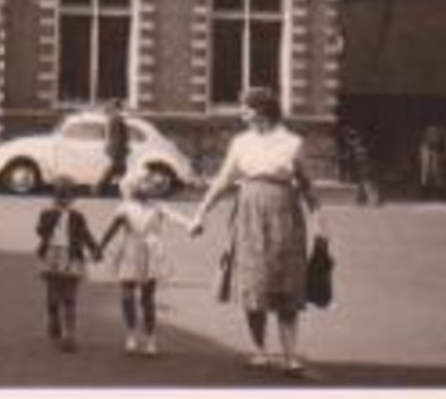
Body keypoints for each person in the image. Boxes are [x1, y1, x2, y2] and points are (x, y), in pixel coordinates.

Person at [188, 86, 322, 376]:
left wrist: (320, 227)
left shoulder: (292, 143)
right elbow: (223, 180)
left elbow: (309, 189)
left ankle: (289, 356)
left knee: (287, 285)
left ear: (261, 111)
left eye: (246, 108)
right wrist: (200, 214)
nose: (241, 113)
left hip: (285, 218)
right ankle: (260, 351)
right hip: (248, 218)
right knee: (253, 285)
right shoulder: (240, 142)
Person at [96, 166, 192, 356]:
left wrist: (191, 225)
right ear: (133, 186)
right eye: (145, 181)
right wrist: (100, 247)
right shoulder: (124, 207)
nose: (149, 184)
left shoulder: (157, 206)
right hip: (130, 251)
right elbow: (112, 228)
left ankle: (150, 337)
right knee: (127, 295)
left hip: (151, 252)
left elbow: (177, 218)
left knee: (148, 298)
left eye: (149, 181)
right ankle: (131, 333)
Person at [34, 178, 102, 353]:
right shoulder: (47, 213)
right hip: (52, 255)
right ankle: (54, 318)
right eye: (59, 196)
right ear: (54, 197)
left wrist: (95, 249)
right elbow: (41, 231)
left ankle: (70, 335)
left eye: (67, 196)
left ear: (73, 198)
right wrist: (54, 215)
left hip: (72, 257)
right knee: (53, 296)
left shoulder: (78, 216)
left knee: (70, 298)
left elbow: (85, 234)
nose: (63, 200)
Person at [97, 100, 131, 195]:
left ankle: (117, 189)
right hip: (117, 148)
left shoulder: (113, 119)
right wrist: (118, 149)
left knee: (121, 169)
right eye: (120, 108)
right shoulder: (115, 119)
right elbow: (116, 136)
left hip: (117, 148)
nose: (122, 110)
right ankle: (100, 188)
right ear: (116, 108)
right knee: (114, 168)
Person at [418, 124, 446, 199]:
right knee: (426, 170)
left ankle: (437, 188)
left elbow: (439, 147)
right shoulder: (426, 140)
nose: (433, 133)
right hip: (427, 150)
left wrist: (437, 153)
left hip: (433, 151)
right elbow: (427, 146)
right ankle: (424, 189)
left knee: (435, 170)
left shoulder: (439, 138)